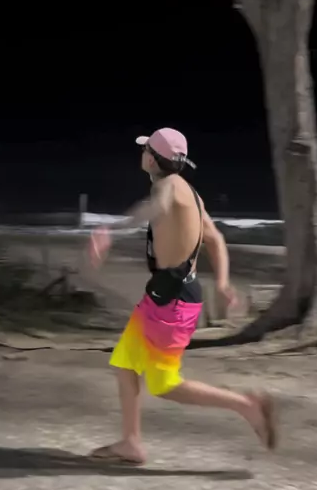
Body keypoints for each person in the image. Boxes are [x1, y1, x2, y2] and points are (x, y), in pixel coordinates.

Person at [89, 128, 276, 465]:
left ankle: (246, 406)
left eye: (146, 149)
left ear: (152, 159)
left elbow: (154, 207)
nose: (142, 153)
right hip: (167, 294)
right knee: (124, 363)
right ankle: (131, 442)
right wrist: (222, 283)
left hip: (172, 301)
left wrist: (111, 230)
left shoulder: (168, 187)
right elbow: (216, 239)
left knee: (164, 384)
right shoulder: (191, 193)